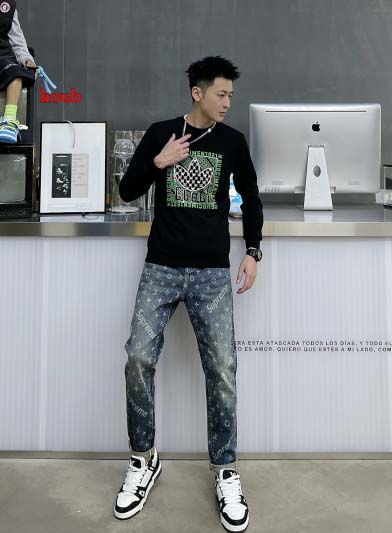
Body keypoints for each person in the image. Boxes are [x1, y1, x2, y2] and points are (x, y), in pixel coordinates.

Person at [114, 56, 263, 533]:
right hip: (161, 267)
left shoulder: (232, 142)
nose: (227, 102)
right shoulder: (162, 133)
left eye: (230, 95)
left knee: (221, 369)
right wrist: (158, 162)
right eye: (221, 94)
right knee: (138, 358)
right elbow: (127, 190)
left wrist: (253, 251)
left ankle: (226, 469)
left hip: (211, 273)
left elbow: (252, 197)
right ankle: (143, 459)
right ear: (197, 92)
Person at [0, 0, 37, 143]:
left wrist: (27, 60)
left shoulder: (7, 6)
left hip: (2, 55)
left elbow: (17, 41)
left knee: (15, 72)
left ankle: (9, 122)